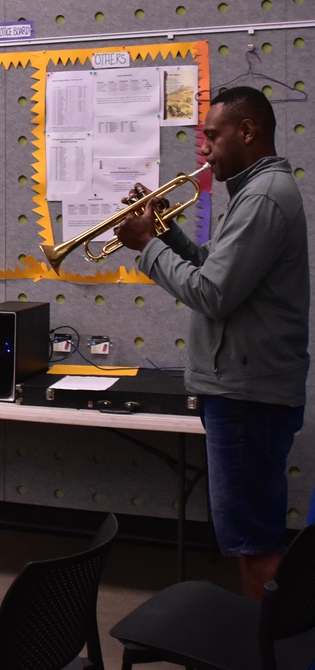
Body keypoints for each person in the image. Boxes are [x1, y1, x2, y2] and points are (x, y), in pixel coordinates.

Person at [116, 85, 309, 600]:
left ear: (247, 132)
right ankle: (269, 659)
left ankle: (267, 669)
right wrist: (168, 231)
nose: (204, 149)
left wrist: (148, 245)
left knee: (254, 541)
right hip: (244, 390)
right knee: (251, 534)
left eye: (213, 136)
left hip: (248, 396)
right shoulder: (253, 193)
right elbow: (216, 268)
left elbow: (211, 293)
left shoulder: (264, 197)